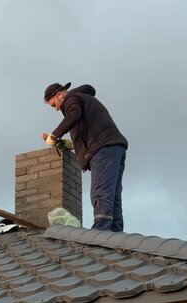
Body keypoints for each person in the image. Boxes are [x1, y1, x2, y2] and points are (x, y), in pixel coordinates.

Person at [42, 82, 128, 232]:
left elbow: (73, 115)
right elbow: (83, 128)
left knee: (100, 191)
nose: (56, 108)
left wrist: (54, 136)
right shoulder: (82, 100)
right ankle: (115, 234)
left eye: (53, 104)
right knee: (113, 195)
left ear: (60, 95)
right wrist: (71, 145)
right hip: (114, 148)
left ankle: (101, 231)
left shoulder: (71, 99)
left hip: (103, 149)